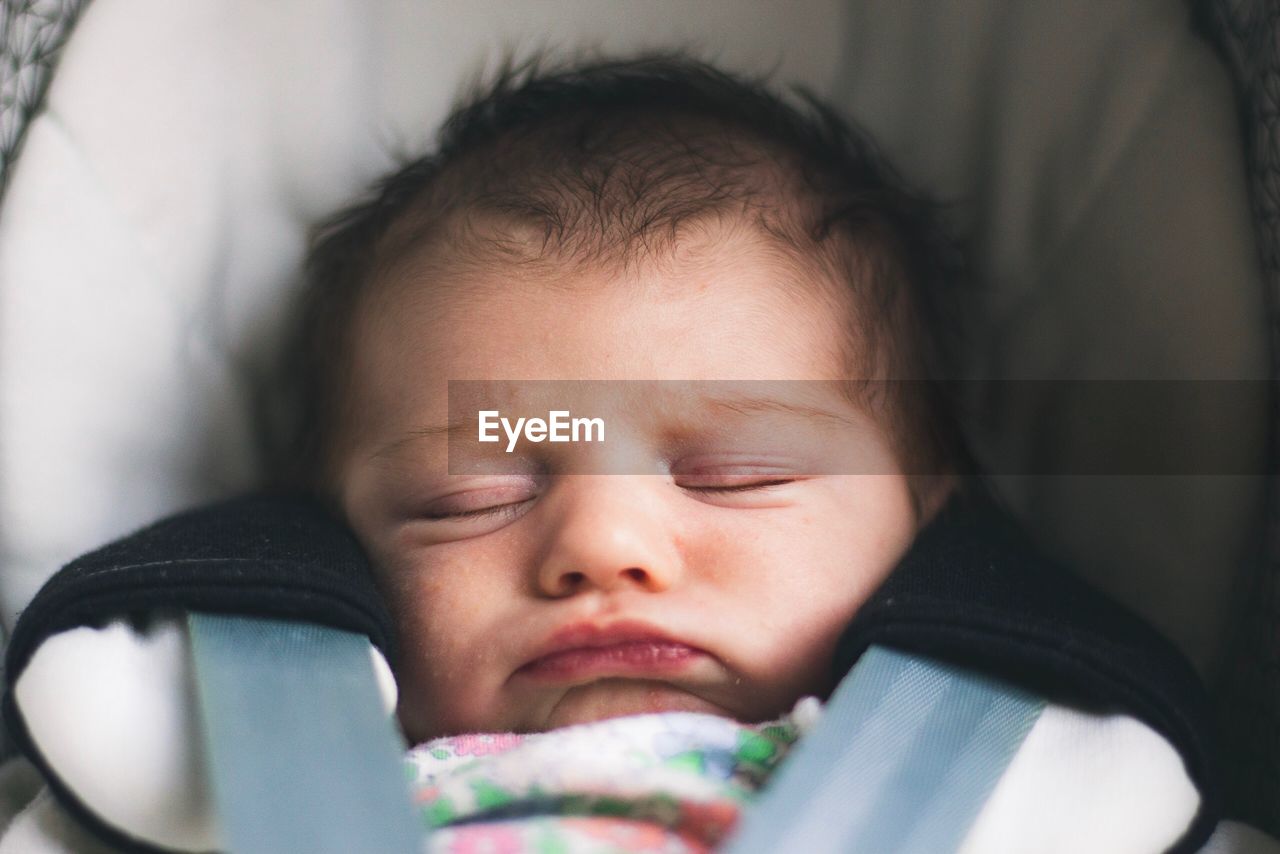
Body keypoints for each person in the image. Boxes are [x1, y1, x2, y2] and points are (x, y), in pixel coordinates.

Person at [272, 51, 976, 850]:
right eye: (473, 496)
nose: (603, 545)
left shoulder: (994, 777)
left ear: (923, 511)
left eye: (735, 475)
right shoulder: (287, 781)